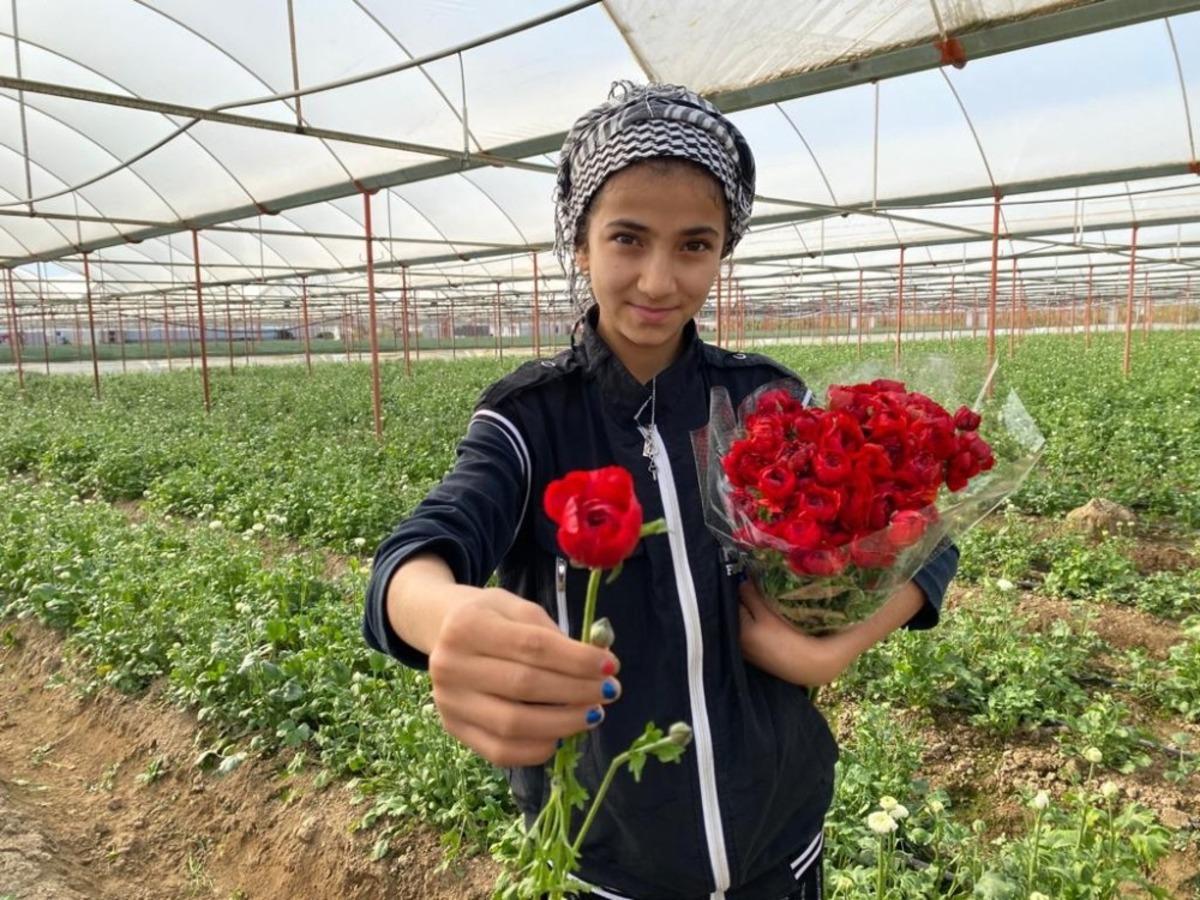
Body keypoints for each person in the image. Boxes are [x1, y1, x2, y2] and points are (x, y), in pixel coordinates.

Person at [363, 82, 958, 900]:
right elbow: (420, 551)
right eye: (628, 239)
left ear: (723, 252)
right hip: (612, 865)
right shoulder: (531, 420)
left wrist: (829, 648)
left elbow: (926, 537)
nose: (658, 279)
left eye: (694, 246)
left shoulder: (765, 403)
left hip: (778, 847)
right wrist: (443, 617)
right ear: (581, 244)